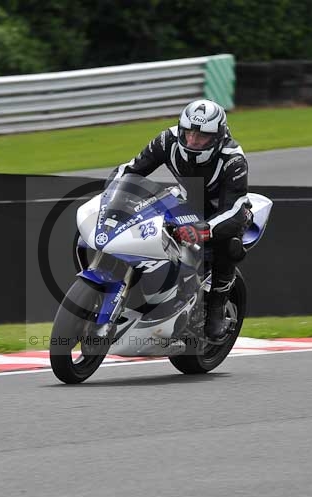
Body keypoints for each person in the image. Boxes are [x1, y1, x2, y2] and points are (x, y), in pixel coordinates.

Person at [108, 98, 253, 338]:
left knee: (229, 244)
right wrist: (112, 196)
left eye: (202, 136)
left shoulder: (233, 159)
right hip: (187, 201)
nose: (193, 140)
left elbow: (234, 209)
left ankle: (216, 308)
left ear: (218, 137)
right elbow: (130, 170)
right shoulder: (167, 140)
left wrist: (203, 229)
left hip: (222, 214)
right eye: (189, 133)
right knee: (143, 215)